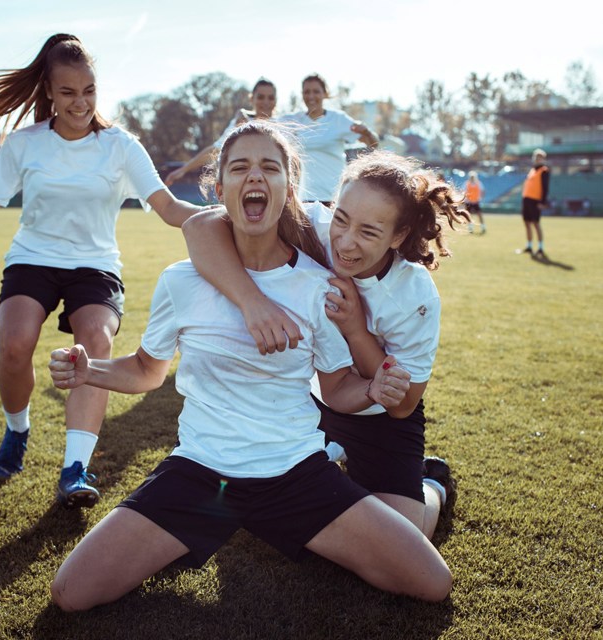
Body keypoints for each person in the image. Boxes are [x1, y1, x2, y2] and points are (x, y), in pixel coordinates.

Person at [46, 122, 452, 611]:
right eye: (239, 167)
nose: (254, 176)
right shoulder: (181, 280)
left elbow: (346, 388)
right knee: (72, 593)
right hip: (200, 473)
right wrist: (92, 371)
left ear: (290, 188)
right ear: (220, 190)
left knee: (431, 582)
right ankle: (246, 509)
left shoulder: (323, 286)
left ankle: (414, 483)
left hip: (297, 474)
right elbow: (148, 370)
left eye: (269, 167)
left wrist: (372, 388)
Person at [0, 34, 207, 509]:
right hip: (33, 259)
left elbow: (169, 207)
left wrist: (222, 219)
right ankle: (17, 430)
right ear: (49, 92)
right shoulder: (25, 145)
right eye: (68, 92)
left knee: (96, 342)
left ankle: (74, 467)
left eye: (89, 90)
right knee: (15, 345)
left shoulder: (120, 147)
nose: (81, 102)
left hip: (95, 266)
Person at [183, 150, 470, 541]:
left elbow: (402, 405)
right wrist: (253, 302)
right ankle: (329, 452)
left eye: (369, 232)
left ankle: (432, 483)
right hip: (309, 401)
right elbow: (200, 226)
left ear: (398, 236)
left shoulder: (415, 295)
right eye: (342, 219)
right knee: (266, 513)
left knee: (402, 537)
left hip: (378, 419)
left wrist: (355, 330)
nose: (346, 243)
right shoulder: (313, 228)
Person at [278, 74, 379, 205]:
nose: (311, 96)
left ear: (325, 93)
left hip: (333, 196)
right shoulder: (293, 120)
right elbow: (263, 122)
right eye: (306, 92)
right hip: (302, 197)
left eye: (316, 91)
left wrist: (367, 132)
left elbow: (373, 144)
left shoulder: (338, 119)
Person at [164, 78, 278, 186]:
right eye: (261, 97)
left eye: (271, 97)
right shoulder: (240, 121)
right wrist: (183, 170)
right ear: (251, 98)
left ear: (276, 100)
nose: (266, 102)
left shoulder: (284, 124)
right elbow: (217, 149)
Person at [519, 149, 550, 257]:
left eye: (539, 157)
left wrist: (542, 202)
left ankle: (540, 247)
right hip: (526, 200)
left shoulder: (544, 170)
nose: (537, 159)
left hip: (535, 201)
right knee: (527, 223)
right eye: (536, 157)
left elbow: (545, 188)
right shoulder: (532, 170)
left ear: (543, 159)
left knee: (536, 224)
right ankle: (529, 246)